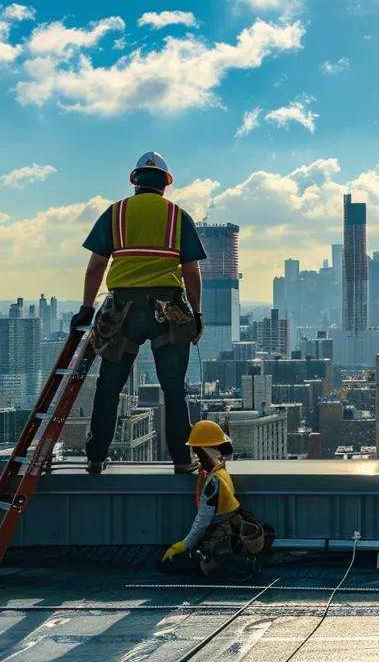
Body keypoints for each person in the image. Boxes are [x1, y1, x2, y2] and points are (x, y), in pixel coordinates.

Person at [71, 152, 206, 475]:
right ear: (165, 183)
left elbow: (96, 267)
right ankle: (182, 459)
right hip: (168, 309)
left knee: (109, 385)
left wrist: (86, 308)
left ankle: (96, 457)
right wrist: (196, 314)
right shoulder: (176, 216)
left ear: (135, 181)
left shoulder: (116, 213)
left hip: (122, 309)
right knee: (173, 389)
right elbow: (191, 271)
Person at [158, 420, 274, 577]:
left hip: (220, 534)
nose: (195, 457)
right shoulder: (220, 472)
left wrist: (184, 544)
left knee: (166, 566)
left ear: (207, 451)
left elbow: (203, 520)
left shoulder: (214, 481)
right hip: (229, 528)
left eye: (197, 452)